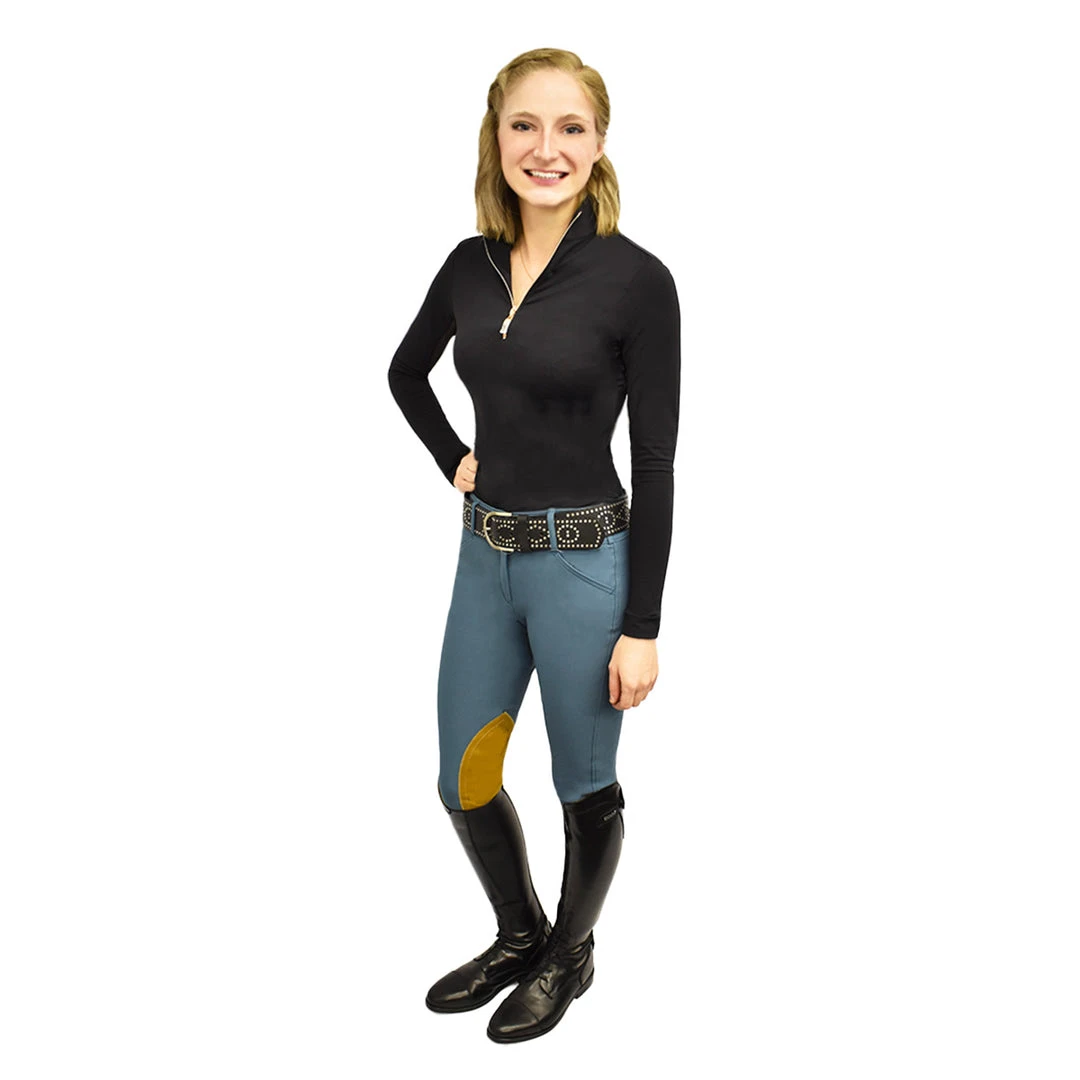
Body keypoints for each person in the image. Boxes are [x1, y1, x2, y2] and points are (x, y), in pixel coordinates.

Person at [386, 47, 681, 1043]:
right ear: (496, 135)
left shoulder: (638, 281)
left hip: (584, 567)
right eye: (524, 124)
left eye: (569, 128)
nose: (545, 148)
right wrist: (452, 458)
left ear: (598, 145)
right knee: (460, 777)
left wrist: (642, 625)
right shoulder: (467, 265)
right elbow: (406, 373)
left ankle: (571, 953)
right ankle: (520, 935)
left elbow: (656, 464)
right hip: (484, 560)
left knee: (581, 783)